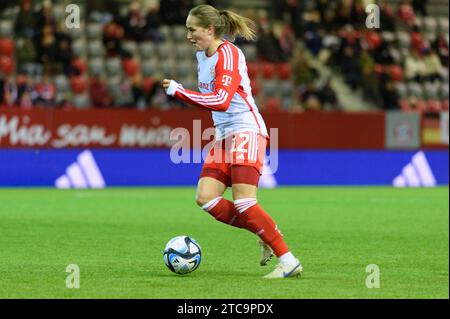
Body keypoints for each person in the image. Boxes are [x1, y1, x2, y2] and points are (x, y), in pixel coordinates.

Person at [162, 4, 302, 279]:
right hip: (224, 135)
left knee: (245, 203)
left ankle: (288, 261)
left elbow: (222, 101)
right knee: (205, 198)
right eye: (187, 29)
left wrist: (180, 91)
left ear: (210, 29)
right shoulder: (203, 55)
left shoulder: (228, 55)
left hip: (246, 130)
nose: (188, 35)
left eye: (193, 29)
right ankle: (265, 233)